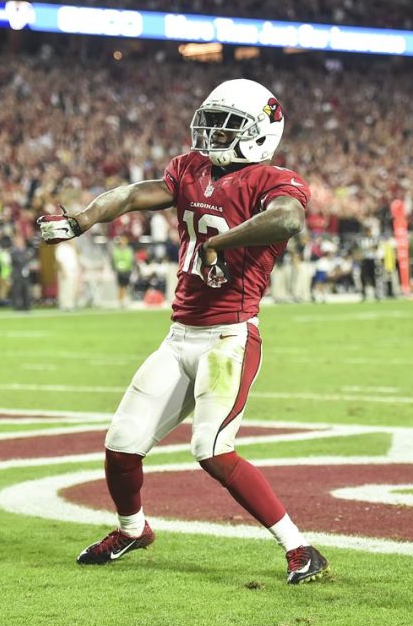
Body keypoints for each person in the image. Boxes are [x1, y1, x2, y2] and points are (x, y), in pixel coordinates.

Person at [36, 78, 328, 585]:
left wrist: (224, 242)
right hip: (179, 336)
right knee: (122, 442)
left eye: (229, 125)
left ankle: (300, 548)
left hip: (229, 337)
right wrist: (83, 219)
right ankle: (132, 529)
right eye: (211, 121)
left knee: (212, 450)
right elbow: (131, 194)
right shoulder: (189, 169)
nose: (213, 132)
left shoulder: (275, 180)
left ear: (262, 133)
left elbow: (287, 221)